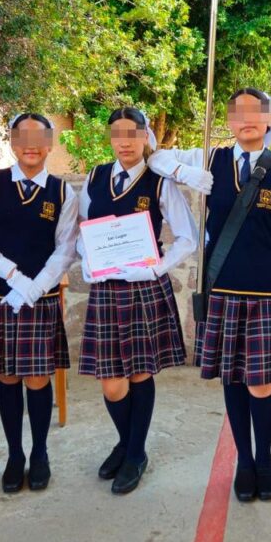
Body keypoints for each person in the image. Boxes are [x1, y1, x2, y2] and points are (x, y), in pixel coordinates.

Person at [148, 88, 271, 502]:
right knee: (232, 379)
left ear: (269, 119)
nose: (247, 119)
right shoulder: (210, 157)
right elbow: (156, 158)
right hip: (223, 287)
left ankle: (265, 460)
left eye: (256, 112)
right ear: (229, 120)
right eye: (238, 112)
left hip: (267, 291)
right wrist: (185, 174)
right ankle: (244, 462)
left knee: (261, 383)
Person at [77, 107, 196, 495]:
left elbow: (188, 238)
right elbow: (83, 230)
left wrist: (156, 268)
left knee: (140, 373)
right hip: (106, 288)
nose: (125, 141)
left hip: (143, 288)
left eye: (133, 133)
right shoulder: (95, 178)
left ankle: (135, 453)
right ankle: (125, 442)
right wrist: (87, 259)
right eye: (117, 133)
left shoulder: (159, 182)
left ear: (145, 136)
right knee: (112, 383)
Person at [0, 113, 78, 493]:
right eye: (23, 137)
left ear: (49, 144)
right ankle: (14, 454)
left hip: (39, 297)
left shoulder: (63, 193)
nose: (31, 145)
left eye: (39, 138)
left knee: (37, 377)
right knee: (7, 375)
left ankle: (40, 452)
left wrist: (35, 287)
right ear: (13, 142)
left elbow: (65, 248)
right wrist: (14, 278)